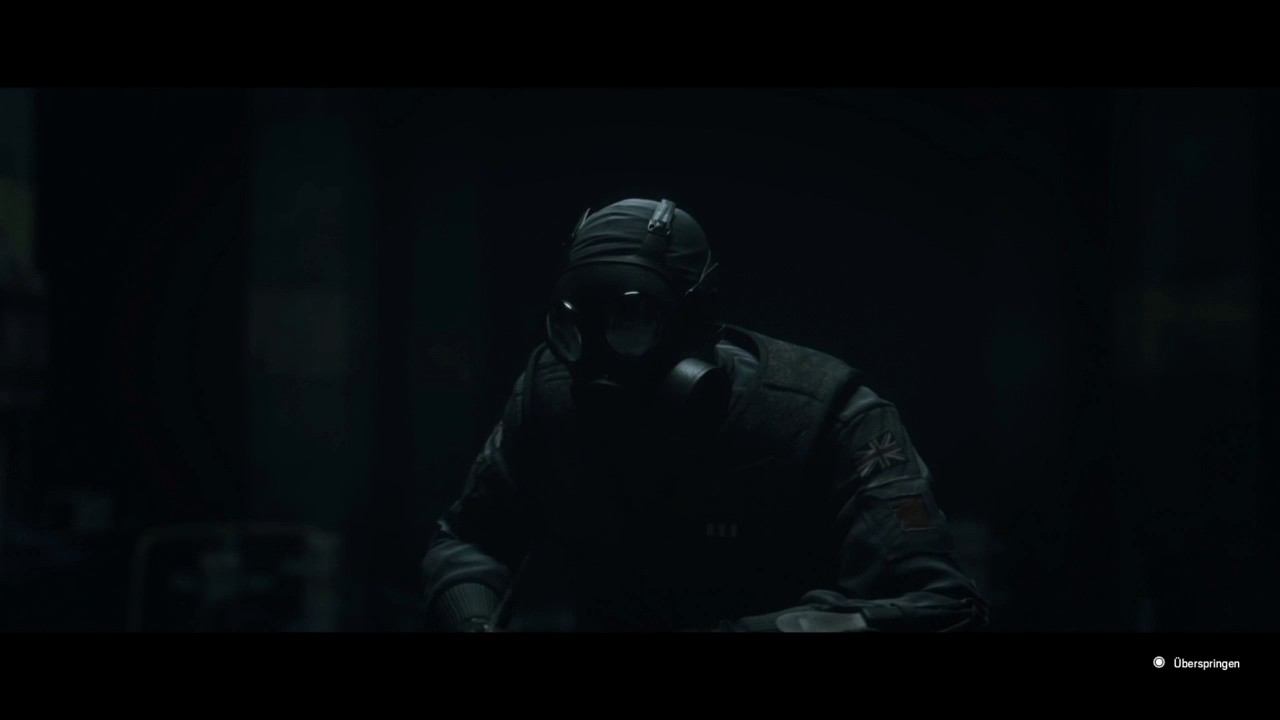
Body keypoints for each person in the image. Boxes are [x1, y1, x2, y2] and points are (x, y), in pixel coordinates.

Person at [421, 198, 987, 632]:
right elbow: (468, 540)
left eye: (631, 321)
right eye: (574, 328)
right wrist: (474, 621)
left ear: (697, 318)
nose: (595, 359)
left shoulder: (828, 414)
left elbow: (941, 606)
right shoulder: (549, 397)